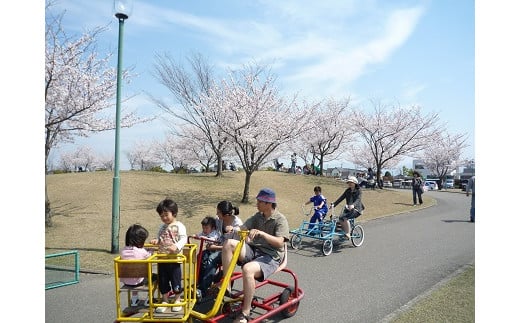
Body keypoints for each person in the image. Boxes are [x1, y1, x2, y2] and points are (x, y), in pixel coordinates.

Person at [220, 188, 290, 323]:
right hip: (255, 250)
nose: (257, 204)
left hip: (271, 256)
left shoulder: (280, 220)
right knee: (229, 243)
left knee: (247, 269)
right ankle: (226, 287)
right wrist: (233, 229)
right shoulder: (257, 216)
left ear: (269, 204)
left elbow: (280, 243)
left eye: (259, 201)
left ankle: (245, 313)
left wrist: (262, 234)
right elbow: (243, 227)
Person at [150, 198, 187, 313]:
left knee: (175, 281)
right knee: (163, 281)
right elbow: (161, 238)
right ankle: (165, 300)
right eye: (161, 216)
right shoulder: (161, 227)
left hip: (174, 260)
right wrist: (157, 241)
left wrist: (176, 246)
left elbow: (184, 238)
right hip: (162, 259)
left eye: (166, 215)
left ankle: (177, 299)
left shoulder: (179, 225)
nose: (164, 218)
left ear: (174, 213)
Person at [120, 224, 156, 306]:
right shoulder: (141, 252)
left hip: (127, 281)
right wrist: (151, 250)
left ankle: (134, 300)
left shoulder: (123, 251)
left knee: (134, 276)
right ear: (140, 240)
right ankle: (149, 298)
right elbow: (149, 255)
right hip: (139, 281)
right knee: (155, 278)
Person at [194, 216, 222, 297]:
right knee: (200, 257)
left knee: (209, 260)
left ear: (212, 228)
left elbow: (212, 239)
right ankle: (200, 281)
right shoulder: (204, 232)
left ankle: (205, 286)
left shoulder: (215, 233)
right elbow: (200, 234)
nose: (204, 230)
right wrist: (196, 235)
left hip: (217, 251)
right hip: (209, 250)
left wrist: (202, 237)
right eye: (203, 228)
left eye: (206, 228)